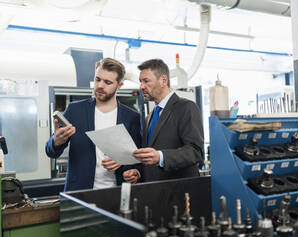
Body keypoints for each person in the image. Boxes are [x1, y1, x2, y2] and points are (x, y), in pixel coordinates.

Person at [45, 58, 141, 191]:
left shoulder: (132, 118)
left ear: (119, 86)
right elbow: (50, 152)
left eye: (107, 82)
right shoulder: (75, 110)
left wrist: (133, 172)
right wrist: (56, 141)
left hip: (118, 193)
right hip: (80, 193)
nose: (100, 85)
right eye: (97, 79)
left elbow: (137, 158)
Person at [125, 59, 204, 182]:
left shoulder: (186, 107)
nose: (141, 87)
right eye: (140, 82)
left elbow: (195, 152)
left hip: (179, 191)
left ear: (163, 80)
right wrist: (138, 173)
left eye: (146, 81)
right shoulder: (149, 118)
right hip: (154, 191)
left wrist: (161, 156)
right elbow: (149, 158)